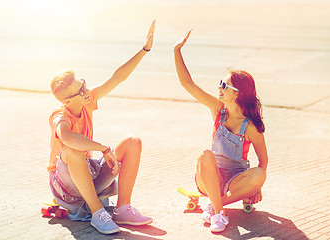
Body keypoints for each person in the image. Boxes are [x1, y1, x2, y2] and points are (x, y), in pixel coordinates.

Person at [48, 20, 155, 235]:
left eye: (84, 85)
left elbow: (117, 78)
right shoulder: (60, 115)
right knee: (72, 150)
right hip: (66, 186)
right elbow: (67, 138)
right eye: (80, 91)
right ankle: (98, 214)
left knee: (132, 142)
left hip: (89, 173)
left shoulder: (87, 100)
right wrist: (103, 148)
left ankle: (123, 209)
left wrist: (145, 49)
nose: (86, 91)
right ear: (67, 101)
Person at [174, 30, 268, 233]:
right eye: (220, 83)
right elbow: (187, 83)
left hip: (235, 180)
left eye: (224, 85)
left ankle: (216, 205)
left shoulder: (250, 126)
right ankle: (219, 212)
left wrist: (256, 187)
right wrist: (177, 51)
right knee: (205, 156)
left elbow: (263, 161)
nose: (219, 88)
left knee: (260, 174)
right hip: (209, 178)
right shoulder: (218, 110)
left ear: (238, 94)